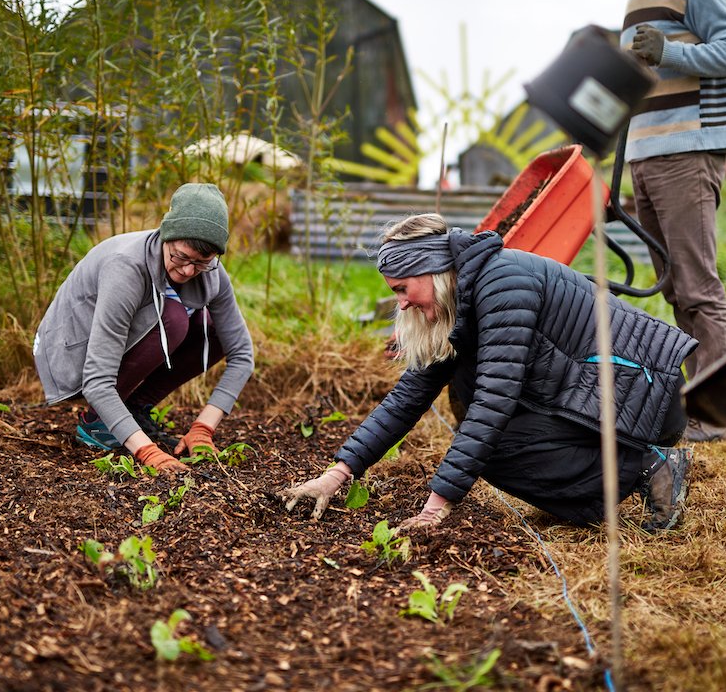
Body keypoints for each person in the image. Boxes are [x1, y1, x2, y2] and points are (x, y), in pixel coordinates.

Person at [281, 214, 696, 532]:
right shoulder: (460, 302)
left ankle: (650, 465)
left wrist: (435, 507)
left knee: (491, 446)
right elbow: (408, 397)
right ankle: (607, 482)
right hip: (599, 397)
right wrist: (337, 474)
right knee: (475, 418)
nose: (401, 304)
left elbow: (496, 398)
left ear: (431, 271)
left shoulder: (504, 282)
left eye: (401, 289)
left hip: (648, 396)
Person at [593, 0, 726, 441]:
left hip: (688, 149)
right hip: (647, 154)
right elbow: (644, 82)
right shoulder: (636, 0)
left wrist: (671, 52)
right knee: (672, 285)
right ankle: (701, 405)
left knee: (696, 282)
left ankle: (718, 410)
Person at [33, 182, 254, 472]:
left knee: (212, 329)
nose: (188, 270)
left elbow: (242, 354)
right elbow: (97, 379)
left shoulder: (210, 270)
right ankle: (97, 423)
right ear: (167, 235)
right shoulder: (125, 267)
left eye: (201, 262)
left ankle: (133, 410)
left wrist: (203, 428)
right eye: (180, 257)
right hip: (70, 353)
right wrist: (147, 452)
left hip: (111, 352)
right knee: (173, 320)